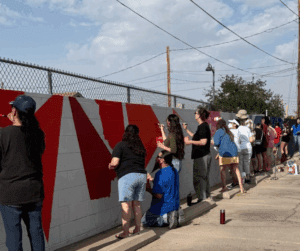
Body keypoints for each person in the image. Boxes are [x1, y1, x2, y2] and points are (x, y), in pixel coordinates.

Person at [0, 95, 46, 251]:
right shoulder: (38, 134)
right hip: (34, 191)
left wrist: (12, 125)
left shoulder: (4, 134)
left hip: (11, 192)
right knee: (36, 233)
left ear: (14, 111)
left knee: (14, 238)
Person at [109, 125, 147, 239]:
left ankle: (125, 232)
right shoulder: (140, 147)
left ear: (125, 133)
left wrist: (110, 165)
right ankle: (137, 229)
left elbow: (115, 162)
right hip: (141, 176)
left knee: (126, 205)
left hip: (127, 177)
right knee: (137, 204)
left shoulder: (120, 145)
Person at [141, 151, 179, 229]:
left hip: (162, 208)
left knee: (144, 221)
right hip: (174, 205)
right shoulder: (174, 171)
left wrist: (148, 189)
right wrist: (152, 179)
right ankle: (172, 215)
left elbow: (158, 195)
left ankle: (167, 218)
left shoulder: (160, 173)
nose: (156, 159)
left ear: (162, 160)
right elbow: (166, 184)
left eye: (158, 157)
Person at [183, 107, 212, 203]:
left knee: (200, 178)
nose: (194, 114)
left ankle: (203, 199)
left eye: (195, 113)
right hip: (202, 156)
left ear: (199, 115)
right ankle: (206, 197)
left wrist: (189, 142)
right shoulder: (202, 126)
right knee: (203, 177)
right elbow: (197, 138)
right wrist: (187, 130)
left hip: (202, 156)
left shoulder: (203, 126)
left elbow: (203, 142)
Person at [213, 119, 245, 193]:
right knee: (236, 169)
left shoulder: (219, 131)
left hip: (225, 153)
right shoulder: (229, 131)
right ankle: (241, 187)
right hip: (234, 152)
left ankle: (224, 187)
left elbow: (216, 143)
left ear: (218, 125)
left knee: (223, 169)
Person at [236, 110, 255, 183]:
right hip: (248, 147)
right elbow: (251, 140)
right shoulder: (248, 128)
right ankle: (248, 177)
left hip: (240, 148)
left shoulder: (237, 129)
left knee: (240, 163)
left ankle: (241, 179)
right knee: (247, 163)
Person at [227, 119, 241, 189]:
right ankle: (238, 183)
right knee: (235, 168)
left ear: (235, 125)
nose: (229, 124)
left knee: (232, 168)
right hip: (237, 150)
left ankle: (235, 182)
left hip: (232, 151)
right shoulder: (238, 131)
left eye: (231, 123)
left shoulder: (232, 131)